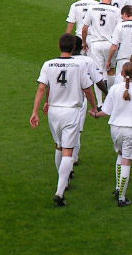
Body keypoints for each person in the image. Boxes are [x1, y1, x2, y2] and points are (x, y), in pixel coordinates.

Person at [29, 33, 96, 206]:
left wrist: (36, 111)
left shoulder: (48, 64)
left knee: (58, 146)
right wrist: (94, 107)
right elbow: (88, 89)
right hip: (71, 111)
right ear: (74, 48)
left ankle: (63, 180)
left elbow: (42, 88)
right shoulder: (79, 65)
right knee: (68, 150)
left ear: (59, 46)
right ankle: (60, 191)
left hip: (53, 112)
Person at [92, 62, 132, 206]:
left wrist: (96, 115)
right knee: (127, 160)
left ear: (121, 73)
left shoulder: (114, 89)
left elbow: (106, 111)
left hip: (115, 128)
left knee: (120, 156)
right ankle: (121, 197)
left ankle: (117, 188)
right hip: (131, 129)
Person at [72, 37, 108, 168]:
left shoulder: (58, 61)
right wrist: (108, 94)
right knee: (77, 131)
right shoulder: (87, 60)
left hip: (60, 102)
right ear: (81, 48)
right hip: (79, 101)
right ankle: (73, 158)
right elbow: (98, 81)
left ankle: (66, 160)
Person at [82, 0, 122, 100]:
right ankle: (110, 97)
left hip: (96, 43)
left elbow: (84, 28)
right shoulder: (116, 10)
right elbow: (119, 29)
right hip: (110, 43)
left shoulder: (92, 8)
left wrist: (84, 42)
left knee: (97, 73)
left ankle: (99, 104)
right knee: (110, 70)